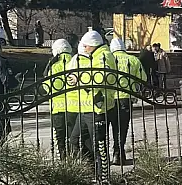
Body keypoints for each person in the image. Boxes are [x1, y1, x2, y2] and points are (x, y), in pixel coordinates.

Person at [66, 31, 117, 176]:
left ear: (93, 45)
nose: (84, 48)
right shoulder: (94, 56)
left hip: (98, 108)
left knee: (99, 145)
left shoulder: (103, 56)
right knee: (75, 140)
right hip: (86, 107)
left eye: (86, 45)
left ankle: (102, 178)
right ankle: (92, 171)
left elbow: (101, 78)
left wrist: (79, 80)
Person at [108, 38, 146, 165]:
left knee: (108, 128)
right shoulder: (133, 60)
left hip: (109, 98)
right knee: (121, 128)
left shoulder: (107, 59)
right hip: (125, 97)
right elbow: (143, 79)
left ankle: (103, 156)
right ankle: (118, 153)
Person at [45, 39, 75, 160]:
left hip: (58, 107)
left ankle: (63, 159)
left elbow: (48, 86)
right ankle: (74, 159)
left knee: (60, 137)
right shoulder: (75, 62)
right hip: (74, 106)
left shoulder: (54, 65)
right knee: (73, 136)